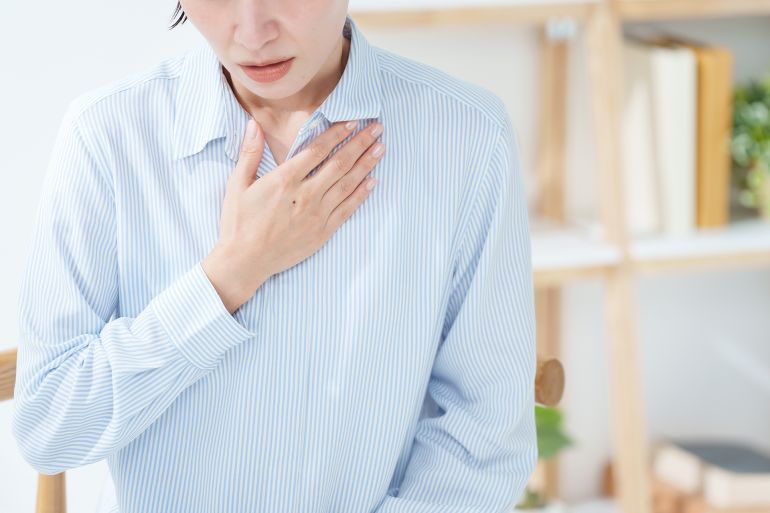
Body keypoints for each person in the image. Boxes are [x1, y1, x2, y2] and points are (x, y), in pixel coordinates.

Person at [12, 1, 539, 512]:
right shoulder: (109, 136)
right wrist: (230, 275)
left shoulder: (465, 137)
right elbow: (50, 428)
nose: (252, 32)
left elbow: (483, 436)